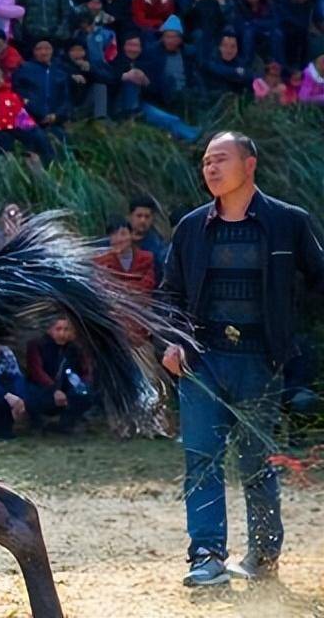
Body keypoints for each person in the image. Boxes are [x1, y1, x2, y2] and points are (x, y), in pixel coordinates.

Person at [160, 132, 324, 586]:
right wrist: (169, 344)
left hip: (261, 362)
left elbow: (318, 278)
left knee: (256, 462)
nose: (210, 168)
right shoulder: (191, 227)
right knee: (201, 461)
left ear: (250, 164)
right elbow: (168, 294)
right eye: (206, 161)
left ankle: (264, 555)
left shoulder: (288, 222)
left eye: (221, 159)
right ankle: (207, 556)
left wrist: (294, 338)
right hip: (201, 362)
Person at [24, 316, 94, 433]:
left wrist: (81, 386)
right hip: (41, 389)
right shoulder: (37, 345)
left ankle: (66, 424)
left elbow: (84, 371)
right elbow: (36, 371)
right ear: (50, 330)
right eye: (58, 329)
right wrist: (54, 389)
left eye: (66, 329)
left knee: (85, 394)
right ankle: (37, 423)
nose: (62, 333)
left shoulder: (73, 349)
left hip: (66, 388)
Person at [94, 219, 156, 292]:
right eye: (114, 234)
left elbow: (149, 284)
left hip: (142, 301)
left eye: (123, 234)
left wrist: (122, 287)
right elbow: (102, 287)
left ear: (131, 235)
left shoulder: (146, 258)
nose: (119, 239)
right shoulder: (101, 261)